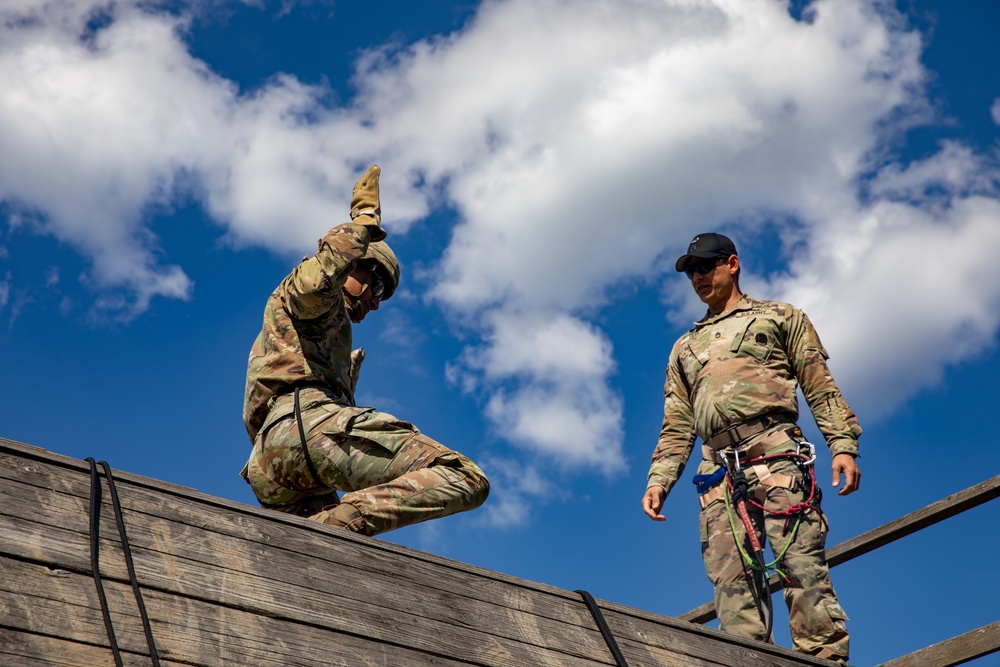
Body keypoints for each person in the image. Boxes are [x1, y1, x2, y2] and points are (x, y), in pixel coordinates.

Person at [641, 232, 861, 664]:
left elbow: (820, 385)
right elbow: (677, 424)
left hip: (777, 454)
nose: (698, 277)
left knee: (801, 566)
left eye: (706, 266)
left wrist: (842, 444)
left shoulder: (779, 316)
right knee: (732, 589)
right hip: (718, 474)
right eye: (691, 272)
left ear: (733, 264)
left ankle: (825, 662)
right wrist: (659, 480)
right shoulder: (684, 346)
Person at [241, 165, 489, 536]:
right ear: (353, 263)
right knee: (464, 477)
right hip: (302, 431)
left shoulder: (322, 334)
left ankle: (331, 526)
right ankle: (347, 520)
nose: (375, 301)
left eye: (383, 294)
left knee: (317, 550)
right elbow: (317, 280)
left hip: (274, 463)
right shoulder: (312, 298)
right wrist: (362, 222)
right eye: (375, 283)